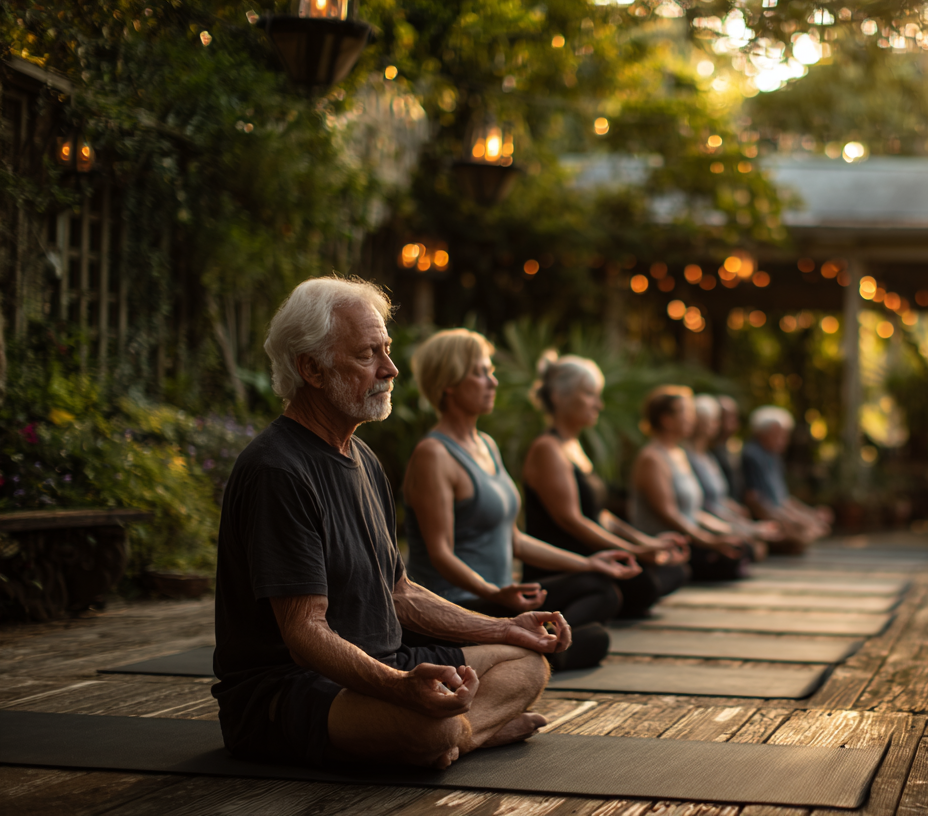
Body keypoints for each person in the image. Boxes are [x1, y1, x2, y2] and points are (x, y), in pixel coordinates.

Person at [213, 277, 561, 772]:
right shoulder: (278, 470)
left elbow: (400, 594)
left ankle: (458, 738)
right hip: (290, 690)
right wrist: (401, 689)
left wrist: (505, 626)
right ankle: (462, 736)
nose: (390, 369)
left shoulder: (365, 458)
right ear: (311, 368)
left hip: (388, 663)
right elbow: (304, 632)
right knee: (431, 726)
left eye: (387, 350)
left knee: (526, 661)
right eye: (366, 355)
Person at [402, 330, 641, 670]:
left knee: (599, 586)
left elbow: (513, 539)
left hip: (502, 601)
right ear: (448, 383)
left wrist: (590, 562)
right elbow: (441, 554)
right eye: (480, 373)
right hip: (461, 608)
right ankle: (526, 653)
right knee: (596, 639)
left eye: (491, 371)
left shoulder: (487, 444)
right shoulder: (433, 455)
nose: (493, 382)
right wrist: (492, 594)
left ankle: (525, 652)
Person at [522, 352, 691, 619]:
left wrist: (646, 544)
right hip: (563, 567)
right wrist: (633, 551)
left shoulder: (575, 446)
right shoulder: (548, 449)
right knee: (631, 586)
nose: (598, 404)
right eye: (590, 394)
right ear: (558, 396)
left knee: (671, 570)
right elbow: (572, 521)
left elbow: (601, 515)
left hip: (596, 558)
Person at [631, 386, 752, 581]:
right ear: (666, 420)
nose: (692, 419)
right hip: (665, 545)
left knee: (741, 547)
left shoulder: (678, 454)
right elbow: (670, 514)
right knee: (733, 558)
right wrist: (709, 541)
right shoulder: (652, 458)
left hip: (691, 538)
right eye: (685, 412)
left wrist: (730, 531)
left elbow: (694, 511)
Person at [686, 393, 779, 559]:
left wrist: (746, 526)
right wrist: (742, 530)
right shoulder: (686, 457)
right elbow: (700, 509)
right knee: (748, 550)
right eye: (713, 420)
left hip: (721, 523)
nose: (717, 425)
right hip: (704, 529)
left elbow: (720, 501)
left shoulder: (708, 456)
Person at [741, 405, 834, 554]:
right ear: (762, 433)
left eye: (784, 435)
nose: (784, 440)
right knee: (804, 536)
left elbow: (783, 499)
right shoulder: (752, 455)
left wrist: (809, 515)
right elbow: (755, 501)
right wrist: (794, 524)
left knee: (813, 530)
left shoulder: (772, 457)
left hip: (778, 516)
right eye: (778, 434)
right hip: (765, 520)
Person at [712, 395, 745, 500]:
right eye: (728, 416)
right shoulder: (708, 450)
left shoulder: (735, 447)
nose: (734, 421)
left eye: (735, 416)